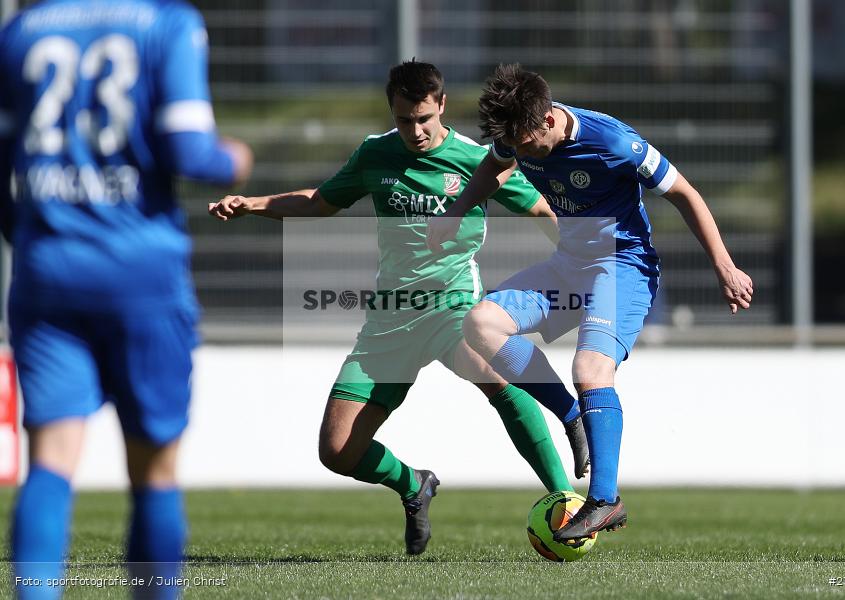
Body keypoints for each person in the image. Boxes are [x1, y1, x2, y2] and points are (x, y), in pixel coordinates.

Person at [208, 60, 587, 556]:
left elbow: (540, 207)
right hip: (390, 317)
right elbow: (321, 202)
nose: (416, 131)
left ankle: (564, 499)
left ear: (442, 106)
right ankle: (414, 484)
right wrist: (252, 203)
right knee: (338, 451)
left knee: (493, 373)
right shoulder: (375, 153)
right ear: (393, 111)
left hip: (454, 305)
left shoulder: (478, 159)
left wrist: (581, 261)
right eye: (406, 120)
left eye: (425, 119)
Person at [427, 63, 753, 541]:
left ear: (547, 122)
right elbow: (492, 169)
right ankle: (573, 415)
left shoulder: (614, 143)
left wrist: (724, 265)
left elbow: (684, 193)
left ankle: (605, 500)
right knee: (481, 324)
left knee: (590, 370)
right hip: (570, 265)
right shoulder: (514, 134)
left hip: (623, 267)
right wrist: (455, 213)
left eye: (523, 143)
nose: (516, 151)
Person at [0, 0, 253, 597]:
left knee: (51, 461)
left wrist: (32, 235)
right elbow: (191, 152)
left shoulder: (22, 29)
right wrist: (235, 161)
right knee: (154, 469)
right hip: (141, 270)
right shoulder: (169, 25)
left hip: (47, 270)